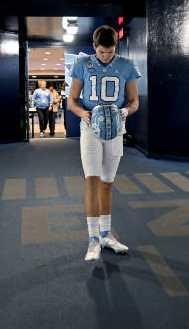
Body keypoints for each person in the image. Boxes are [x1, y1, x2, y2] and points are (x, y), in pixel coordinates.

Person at [68, 25, 140, 262]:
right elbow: (72, 101)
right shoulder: (82, 64)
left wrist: (126, 112)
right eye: (101, 52)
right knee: (92, 182)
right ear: (94, 47)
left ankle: (106, 234)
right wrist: (82, 113)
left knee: (108, 184)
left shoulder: (127, 65)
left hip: (116, 130)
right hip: (90, 130)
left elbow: (134, 101)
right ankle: (92, 239)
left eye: (110, 52)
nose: (106, 57)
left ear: (115, 48)